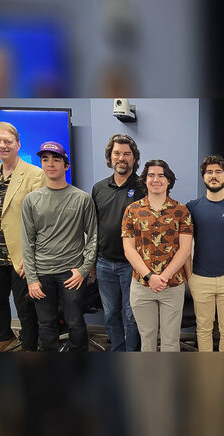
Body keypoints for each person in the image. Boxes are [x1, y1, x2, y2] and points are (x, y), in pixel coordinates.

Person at [21, 142, 97, 352]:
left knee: (75, 322)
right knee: (46, 324)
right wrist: (32, 278)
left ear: (66, 166)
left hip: (70, 274)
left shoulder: (82, 198)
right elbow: (27, 241)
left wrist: (83, 270)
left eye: (56, 159)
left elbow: (93, 238)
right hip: (41, 274)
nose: (50, 164)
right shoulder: (31, 200)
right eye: (45, 160)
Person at [0, 121, 45, 352]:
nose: (2, 145)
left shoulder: (35, 174)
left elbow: (41, 221)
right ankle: (4, 336)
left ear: (18, 144)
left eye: (8, 141)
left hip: (21, 254)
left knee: (25, 306)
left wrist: (31, 256)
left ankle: (29, 347)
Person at [122, 160, 193, 352]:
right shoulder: (132, 210)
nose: (156, 179)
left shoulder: (181, 211)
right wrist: (149, 277)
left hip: (172, 285)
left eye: (161, 175)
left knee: (171, 341)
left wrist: (163, 277)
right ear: (144, 180)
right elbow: (129, 249)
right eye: (151, 175)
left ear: (169, 180)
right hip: (142, 285)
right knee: (147, 338)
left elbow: (185, 249)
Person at [185, 155, 224, 352]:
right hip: (199, 277)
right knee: (203, 329)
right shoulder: (191, 207)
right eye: (209, 172)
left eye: (218, 172)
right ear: (203, 177)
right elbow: (185, 247)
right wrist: (190, 276)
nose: (213, 176)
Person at [91, 134, 144, 351]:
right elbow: (93, 228)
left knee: (132, 315)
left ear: (134, 158)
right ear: (110, 157)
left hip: (133, 264)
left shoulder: (144, 187)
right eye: (117, 153)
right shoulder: (99, 188)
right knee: (111, 313)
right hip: (104, 263)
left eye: (126, 154)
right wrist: (92, 261)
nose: (121, 158)